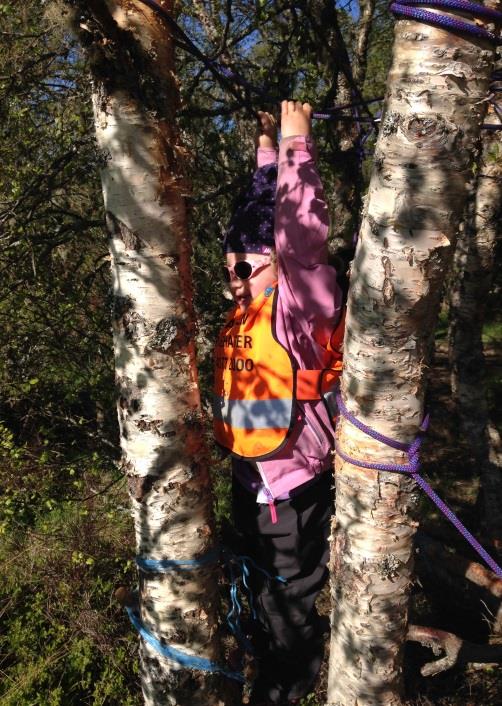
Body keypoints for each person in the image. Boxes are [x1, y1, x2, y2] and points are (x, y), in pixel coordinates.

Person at [213, 101, 345, 706]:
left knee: (289, 594)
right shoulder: (249, 306)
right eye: (228, 269)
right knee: (258, 580)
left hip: (291, 486)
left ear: (277, 265)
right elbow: (262, 213)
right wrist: (265, 147)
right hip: (251, 476)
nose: (235, 279)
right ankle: (266, 653)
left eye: (246, 266)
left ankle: (289, 682)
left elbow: (296, 229)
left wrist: (296, 144)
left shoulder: (299, 302)